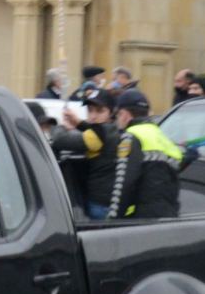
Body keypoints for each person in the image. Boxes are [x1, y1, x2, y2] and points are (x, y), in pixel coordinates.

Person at [58, 88, 134, 220]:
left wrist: (59, 127)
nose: (93, 116)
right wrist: (78, 123)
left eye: (99, 111)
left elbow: (61, 140)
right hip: (110, 202)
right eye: (90, 110)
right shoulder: (112, 129)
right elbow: (94, 129)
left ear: (111, 113)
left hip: (99, 204)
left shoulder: (98, 135)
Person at [113, 90, 183, 219]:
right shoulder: (165, 139)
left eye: (117, 115)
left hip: (139, 220)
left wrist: (113, 219)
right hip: (169, 218)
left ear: (124, 114)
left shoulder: (131, 136)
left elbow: (123, 184)